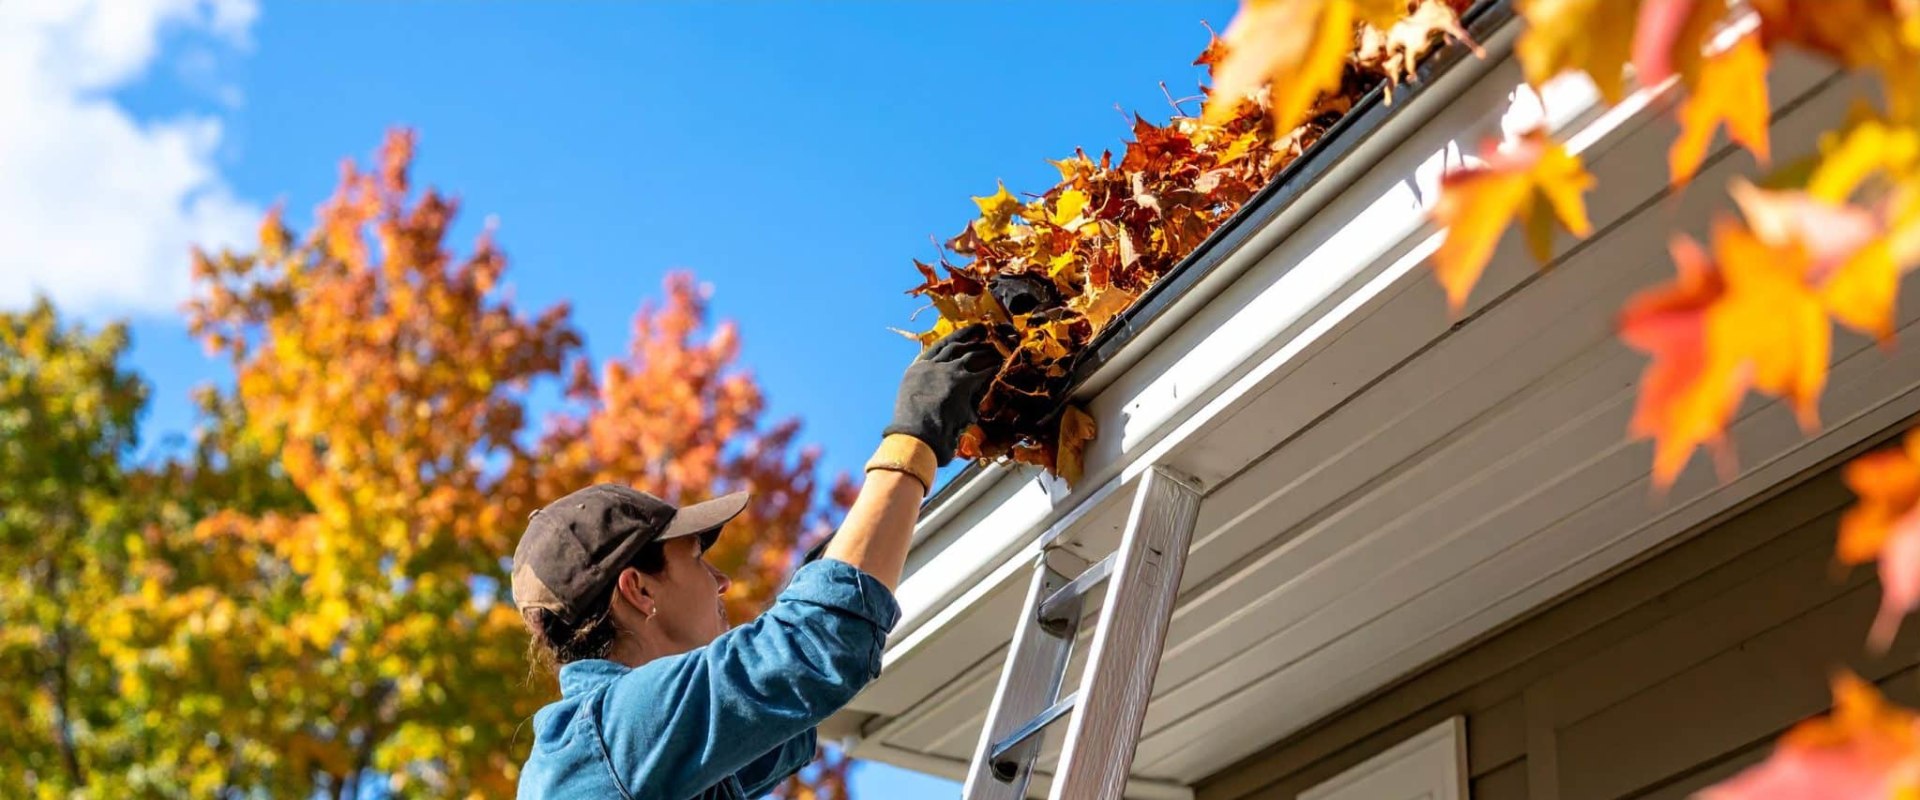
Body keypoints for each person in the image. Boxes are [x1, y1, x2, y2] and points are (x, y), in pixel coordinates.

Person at [512, 324, 1003, 799]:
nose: (722, 582)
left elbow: (784, 698)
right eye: (698, 560)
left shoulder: (616, 748)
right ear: (639, 590)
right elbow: (807, 649)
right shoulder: (615, 736)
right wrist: (914, 439)